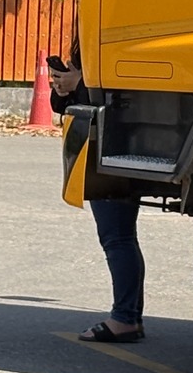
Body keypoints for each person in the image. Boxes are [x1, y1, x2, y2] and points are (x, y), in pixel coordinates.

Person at [52, 41, 147, 343]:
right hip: (103, 143)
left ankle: (125, 318)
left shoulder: (109, 39)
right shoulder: (90, 39)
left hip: (113, 144)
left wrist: (78, 83)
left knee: (117, 237)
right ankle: (130, 316)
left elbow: (116, 92)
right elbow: (64, 106)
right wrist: (63, 89)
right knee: (121, 237)